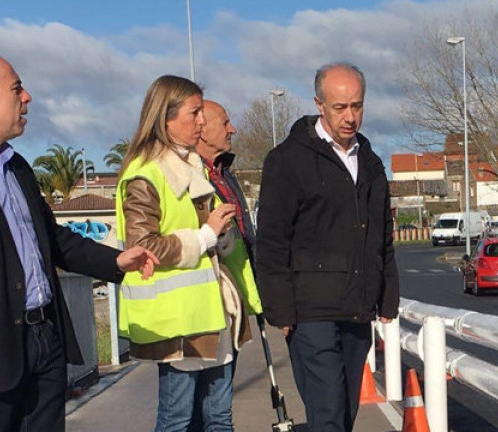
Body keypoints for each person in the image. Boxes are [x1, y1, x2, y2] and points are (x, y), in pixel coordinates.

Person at [0, 50, 158, 432]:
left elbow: (50, 238)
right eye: (17, 88)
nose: (27, 97)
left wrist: (115, 262)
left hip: (44, 340)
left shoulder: (17, 166)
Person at [255, 62, 400, 432]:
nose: (350, 117)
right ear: (319, 104)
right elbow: (272, 241)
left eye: (357, 106)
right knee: (329, 413)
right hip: (310, 310)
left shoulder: (369, 162)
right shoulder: (287, 160)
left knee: (345, 410)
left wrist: (387, 295)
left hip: (357, 306)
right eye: (340, 107)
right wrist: (281, 310)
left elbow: (382, 234)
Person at [115, 76, 255, 432]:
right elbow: (142, 245)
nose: (202, 122)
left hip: (211, 312)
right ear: (165, 118)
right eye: (194, 113)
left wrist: (219, 236)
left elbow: (208, 239)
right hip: (177, 321)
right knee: (178, 421)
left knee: (219, 418)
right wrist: (207, 235)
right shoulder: (145, 174)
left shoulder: (193, 165)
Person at [189, 99, 263, 430]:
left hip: (230, 303)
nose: (232, 129)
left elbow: (245, 242)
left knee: (217, 407)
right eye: (226, 122)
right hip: (201, 304)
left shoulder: (224, 173)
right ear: (201, 129)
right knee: (197, 410)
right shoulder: (190, 175)